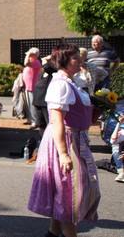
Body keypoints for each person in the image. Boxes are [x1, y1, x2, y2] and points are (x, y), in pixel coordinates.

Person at [28, 44, 101, 237]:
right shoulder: (60, 84)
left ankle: (53, 233)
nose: (80, 60)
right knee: (71, 194)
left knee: (64, 191)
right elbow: (57, 120)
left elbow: (76, 114)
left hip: (75, 139)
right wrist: (63, 154)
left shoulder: (71, 82)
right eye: (76, 57)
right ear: (65, 61)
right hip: (65, 141)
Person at [32, 54, 56, 137]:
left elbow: (48, 68)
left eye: (50, 60)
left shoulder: (54, 72)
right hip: (38, 102)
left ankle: (51, 142)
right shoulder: (42, 73)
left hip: (46, 103)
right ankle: (43, 141)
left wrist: (45, 61)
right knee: (41, 124)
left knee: (49, 123)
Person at [22, 47, 42, 129]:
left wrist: (29, 55)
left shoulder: (36, 62)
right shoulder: (32, 62)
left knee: (32, 105)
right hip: (27, 86)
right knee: (28, 104)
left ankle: (35, 122)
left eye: (30, 55)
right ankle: (30, 119)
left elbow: (25, 63)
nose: (28, 56)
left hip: (32, 86)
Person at [109, 113, 124, 183]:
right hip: (120, 158)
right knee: (115, 145)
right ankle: (121, 173)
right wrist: (119, 123)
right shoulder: (123, 132)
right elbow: (113, 140)